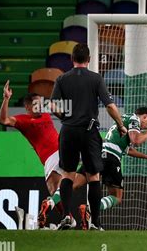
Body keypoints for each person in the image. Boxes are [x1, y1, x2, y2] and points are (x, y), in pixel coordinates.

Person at [40, 107, 147, 230]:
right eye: (146, 125)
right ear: (145, 116)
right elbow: (136, 140)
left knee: (73, 184)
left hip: (97, 154)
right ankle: (89, 209)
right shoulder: (134, 118)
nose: (143, 128)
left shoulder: (122, 121)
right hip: (111, 158)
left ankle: (50, 202)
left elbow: (127, 149)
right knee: (117, 196)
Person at [51, 43, 127, 230]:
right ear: (89, 60)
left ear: (72, 59)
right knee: (93, 176)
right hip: (89, 130)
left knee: (68, 173)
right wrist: (120, 125)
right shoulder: (95, 78)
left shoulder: (62, 79)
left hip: (68, 130)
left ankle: (66, 216)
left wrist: (65, 117)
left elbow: (52, 105)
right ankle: (96, 223)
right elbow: (109, 105)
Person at [0, 82, 63, 219]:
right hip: (48, 159)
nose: (40, 106)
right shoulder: (23, 120)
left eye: (41, 103)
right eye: (36, 104)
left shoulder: (45, 114)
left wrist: (52, 104)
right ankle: (67, 217)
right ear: (27, 106)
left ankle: (66, 215)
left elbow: (64, 115)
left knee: (61, 186)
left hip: (57, 152)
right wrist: (6, 98)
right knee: (55, 190)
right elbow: (3, 120)